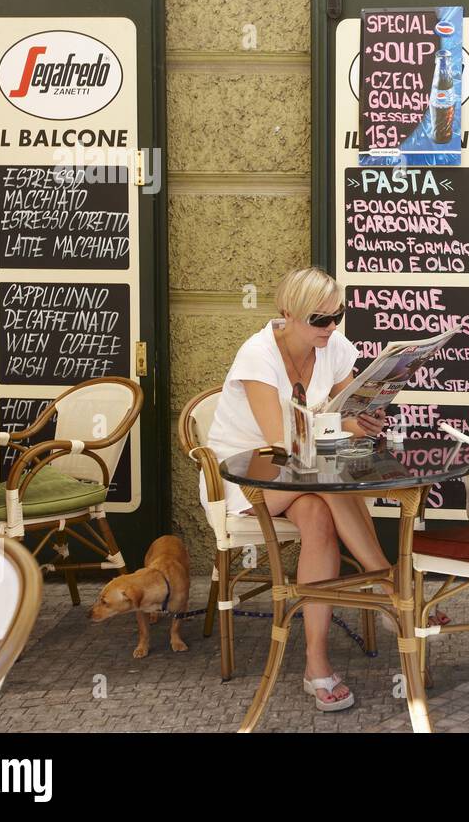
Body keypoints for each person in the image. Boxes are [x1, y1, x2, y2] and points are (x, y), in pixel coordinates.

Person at [199, 267, 389, 712]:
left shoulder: (334, 346)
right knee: (328, 482)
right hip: (247, 477)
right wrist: (340, 425)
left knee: (322, 509)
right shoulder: (257, 356)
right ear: (288, 315)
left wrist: (364, 420)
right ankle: (384, 578)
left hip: (303, 473)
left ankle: (316, 665)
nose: (331, 327)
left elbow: (347, 414)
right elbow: (278, 444)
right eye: (319, 320)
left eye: (337, 315)